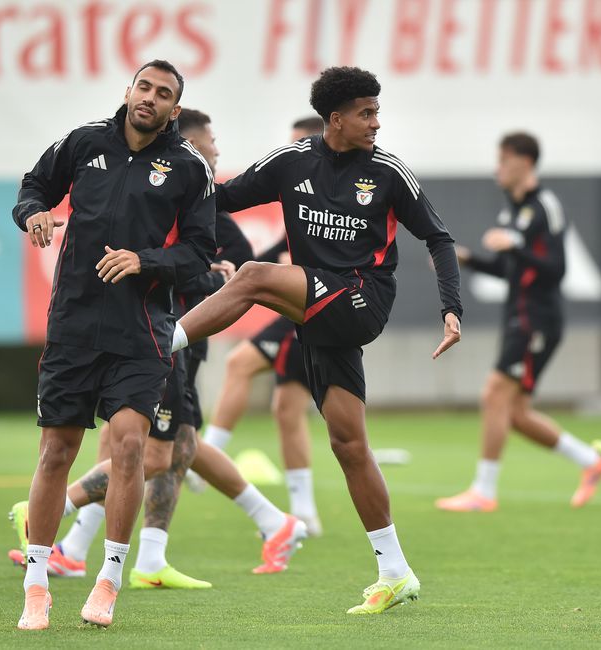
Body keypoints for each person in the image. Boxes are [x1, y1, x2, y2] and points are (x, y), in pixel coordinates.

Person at [170, 66, 464, 614]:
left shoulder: (389, 172)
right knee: (349, 445)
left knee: (255, 277)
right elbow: (225, 198)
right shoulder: (291, 162)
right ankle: (396, 571)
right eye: (367, 112)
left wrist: (452, 308)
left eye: (377, 111)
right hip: (318, 317)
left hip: (362, 297)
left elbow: (440, 239)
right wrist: (162, 191)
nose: (377, 122)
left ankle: (165, 341)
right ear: (336, 119)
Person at [13, 108, 306, 586]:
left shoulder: (195, 190)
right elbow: (205, 257)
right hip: (155, 334)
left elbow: (217, 256)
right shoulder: (147, 173)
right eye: (210, 139)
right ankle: (68, 528)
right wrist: (201, 272)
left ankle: (133, 553)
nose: (215, 149)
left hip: (177, 336)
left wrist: (213, 272)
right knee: (152, 450)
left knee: (173, 444)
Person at [12, 60, 216, 630]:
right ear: (128, 91)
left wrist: (143, 260)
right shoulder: (82, 143)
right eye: (144, 86)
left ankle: (108, 579)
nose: (150, 98)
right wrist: (34, 215)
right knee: (57, 451)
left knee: (128, 447)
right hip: (73, 325)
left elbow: (200, 252)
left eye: (164, 94)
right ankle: (36, 583)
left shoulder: (189, 168)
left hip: (141, 331)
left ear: (175, 109)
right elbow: (33, 188)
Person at [436, 133, 601, 512]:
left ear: (525, 162)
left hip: (538, 318)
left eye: (503, 160)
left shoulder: (545, 205)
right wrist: (469, 259)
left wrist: (515, 245)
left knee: (494, 394)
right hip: (520, 316)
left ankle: (483, 491)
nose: (497, 168)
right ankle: (591, 461)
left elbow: (556, 269)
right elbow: (508, 269)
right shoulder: (510, 210)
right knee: (514, 413)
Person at [191, 116, 326, 537]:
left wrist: (296, 269)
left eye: (300, 145)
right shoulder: (306, 194)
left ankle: (207, 456)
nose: (293, 154)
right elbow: (276, 250)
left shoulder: (332, 194)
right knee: (287, 409)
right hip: (301, 311)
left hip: (318, 309)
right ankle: (305, 513)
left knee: (240, 365)